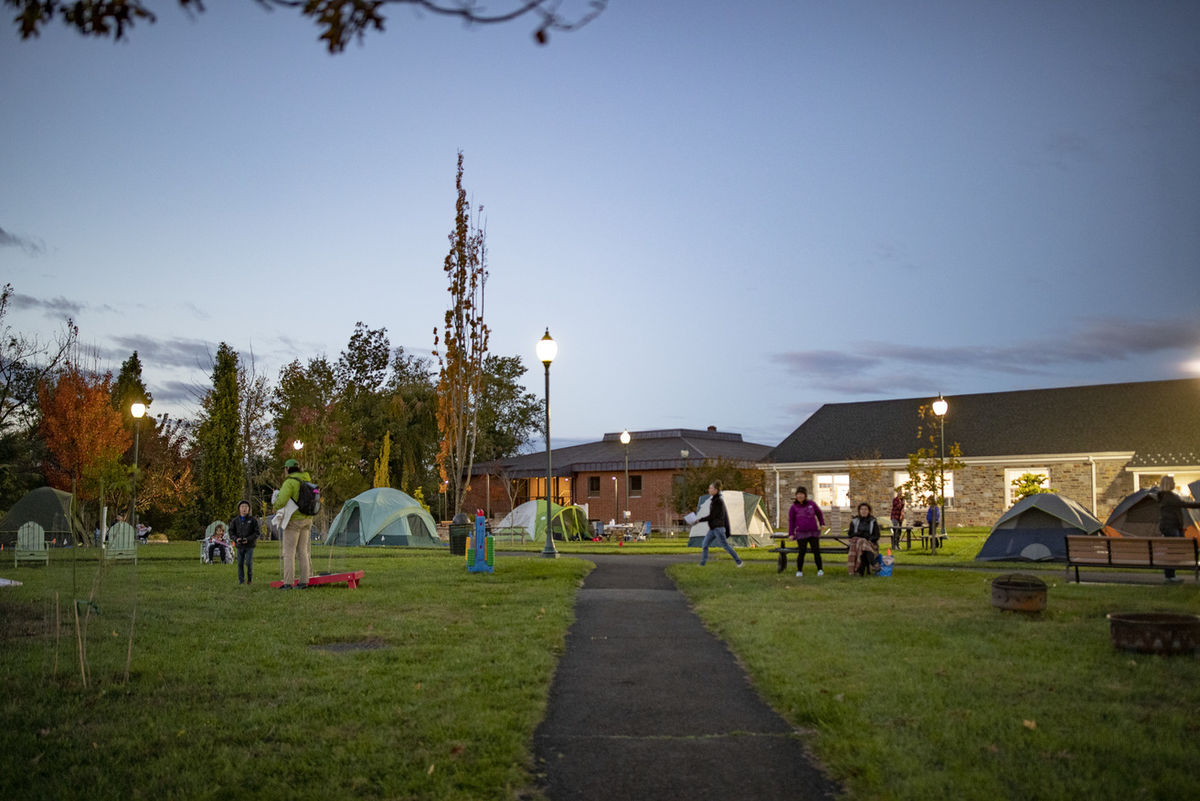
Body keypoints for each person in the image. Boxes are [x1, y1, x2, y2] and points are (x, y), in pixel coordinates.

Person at [273, 458, 315, 589]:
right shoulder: (307, 480)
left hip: (294, 521)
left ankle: (288, 582)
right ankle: (304, 581)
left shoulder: (290, 482)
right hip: (307, 519)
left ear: (287, 469)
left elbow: (281, 501)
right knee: (303, 551)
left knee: (289, 552)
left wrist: (275, 502)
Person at [1157, 476, 1200, 583]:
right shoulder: (1168, 497)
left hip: (1172, 526)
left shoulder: (1165, 496)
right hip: (1171, 527)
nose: (1175, 483)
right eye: (1173, 482)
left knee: (1174, 550)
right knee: (1173, 551)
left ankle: (1170, 575)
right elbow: (1184, 504)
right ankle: (1170, 575)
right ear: (1168, 483)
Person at [697, 481, 745, 567]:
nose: (709, 490)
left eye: (710, 488)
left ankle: (739, 562)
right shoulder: (714, 500)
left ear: (715, 490)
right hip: (713, 528)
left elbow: (712, 516)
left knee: (725, 546)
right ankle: (702, 564)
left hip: (718, 528)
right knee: (705, 544)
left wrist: (699, 520)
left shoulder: (718, 501)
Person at [788, 486, 825, 577]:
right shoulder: (793, 507)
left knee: (816, 551)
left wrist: (822, 523)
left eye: (802, 494)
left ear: (805, 495)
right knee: (802, 552)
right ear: (796, 496)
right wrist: (791, 533)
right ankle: (799, 570)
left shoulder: (811, 504)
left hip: (813, 532)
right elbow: (791, 521)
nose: (800, 496)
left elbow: (819, 513)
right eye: (798, 494)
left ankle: (820, 570)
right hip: (801, 533)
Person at [229, 500, 261, 585]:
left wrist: (248, 539)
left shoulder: (253, 520)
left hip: (249, 545)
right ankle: (241, 581)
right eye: (242, 507)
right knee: (240, 563)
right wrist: (236, 539)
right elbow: (231, 532)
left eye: (246, 507)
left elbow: (257, 532)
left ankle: (249, 579)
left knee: (248, 563)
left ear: (249, 509)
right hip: (239, 546)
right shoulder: (235, 520)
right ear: (239, 509)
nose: (244, 509)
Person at [846, 502, 881, 576]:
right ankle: (874, 563)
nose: (863, 511)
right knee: (861, 542)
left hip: (870, 543)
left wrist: (869, 539)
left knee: (863, 543)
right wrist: (859, 535)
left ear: (869, 511)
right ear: (859, 511)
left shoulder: (873, 521)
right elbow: (850, 534)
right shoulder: (854, 521)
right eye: (862, 509)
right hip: (856, 544)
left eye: (865, 509)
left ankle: (859, 571)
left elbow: (877, 535)